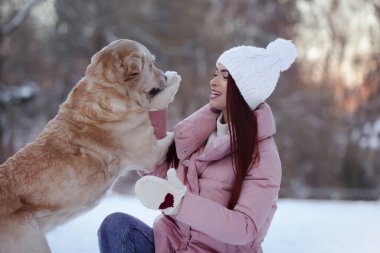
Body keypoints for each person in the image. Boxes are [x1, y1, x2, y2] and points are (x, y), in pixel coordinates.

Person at [98, 38, 297, 253]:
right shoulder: (201, 134)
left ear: (245, 87)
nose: (213, 82)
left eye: (225, 77)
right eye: (215, 74)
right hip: (170, 245)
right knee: (117, 227)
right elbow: (160, 171)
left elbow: (245, 227)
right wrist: (154, 110)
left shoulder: (263, 156)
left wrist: (181, 204)